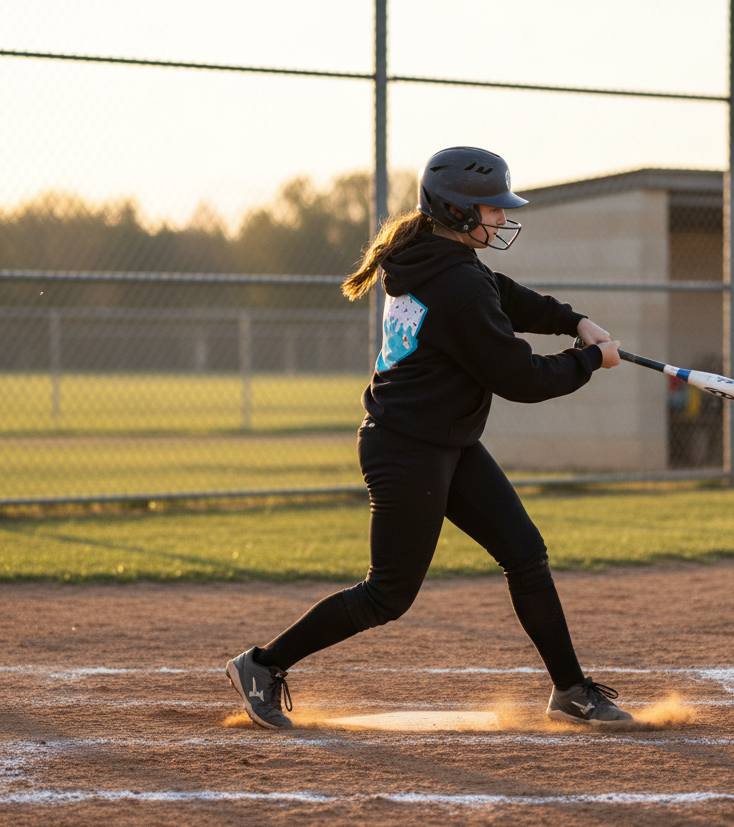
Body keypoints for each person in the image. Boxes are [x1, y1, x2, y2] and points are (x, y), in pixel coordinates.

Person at [225, 146, 633, 729]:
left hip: (446, 440)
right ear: (459, 210)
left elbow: (505, 296)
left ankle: (570, 690)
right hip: (406, 448)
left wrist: (572, 320)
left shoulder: (442, 261)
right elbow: (521, 378)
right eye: (491, 209)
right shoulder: (455, 285)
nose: (500, 218)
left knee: (525, 553)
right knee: (387, 595)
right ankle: (263, 664)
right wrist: (588, 359)